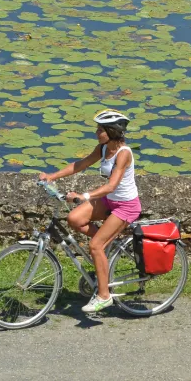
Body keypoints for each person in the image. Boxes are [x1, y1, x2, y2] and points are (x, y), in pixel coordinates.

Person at [38, 109, 141, 314]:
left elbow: (111, 186)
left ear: (112, 131)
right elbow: (81, 164)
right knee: (74, 218)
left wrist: (83, 196)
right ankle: (106, 246)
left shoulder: (124, 154)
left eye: (100, 129)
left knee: (95, 245)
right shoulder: (103, 148)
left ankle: (104, 296)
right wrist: (52, 176)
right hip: (109, 202)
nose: (96, 132)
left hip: (126, 206)